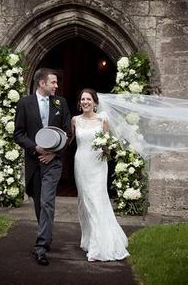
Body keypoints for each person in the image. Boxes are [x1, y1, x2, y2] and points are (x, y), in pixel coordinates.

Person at [14, 68, 72, 266]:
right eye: (53, 82)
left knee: (47, 202)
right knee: (39, 203)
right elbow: (19, 133)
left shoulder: (61, 103)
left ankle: (41, 247)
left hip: (53, 163)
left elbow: (67, 133)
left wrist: (54, 153)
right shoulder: (24, 103)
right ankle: (46, 235)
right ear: (42, 83)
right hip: (34, 162)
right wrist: (35, 148)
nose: (56, 86)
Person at [70, 88, 130, 262]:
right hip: (81, 163)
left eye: (88, 99)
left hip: (98, 165)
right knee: (85, 201)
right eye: (83, 99)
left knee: (97, 201)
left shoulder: (103, 120)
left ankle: (98, 248)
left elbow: (108, 145)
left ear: (95, 103)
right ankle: (90, 240)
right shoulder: (75, 120)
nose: (85, 102)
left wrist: (106, 147)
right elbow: (72, 140)